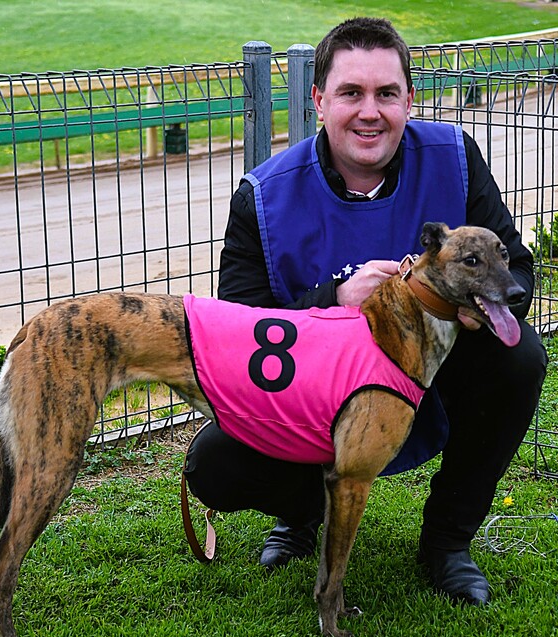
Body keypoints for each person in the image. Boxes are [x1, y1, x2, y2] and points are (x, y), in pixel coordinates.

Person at [184, 17, 547, 606]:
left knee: (519, 358)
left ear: (410, 99)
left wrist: (479, 309)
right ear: (319, 100)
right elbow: (238, 327)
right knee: (214, 464)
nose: (370, 112)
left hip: (431, 376)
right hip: (314, 397)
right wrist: (333, 299)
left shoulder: (455, 157)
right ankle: (303, 514)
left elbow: (519, 271)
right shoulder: (263, 195)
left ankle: (447, 541)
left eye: (387, 93)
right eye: (351, 92)